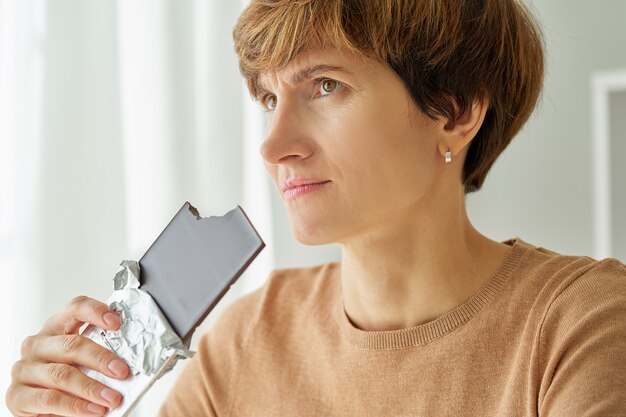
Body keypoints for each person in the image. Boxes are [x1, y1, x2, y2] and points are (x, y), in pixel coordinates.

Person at [7, 0, 626, 415]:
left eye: (325, 86)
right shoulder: (247, 342)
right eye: (270, 97)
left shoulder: (583, 329)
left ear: (457, 111)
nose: (274, 146)